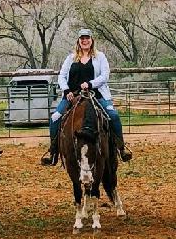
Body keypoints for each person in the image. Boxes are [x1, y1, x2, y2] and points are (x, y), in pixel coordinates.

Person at [42, 29, 129, 166]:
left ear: (91, 40)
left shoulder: (100, 57)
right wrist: (66, 90)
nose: (84, 40)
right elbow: (62, 76)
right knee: (55, 118)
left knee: (113, 115)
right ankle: (53, 151)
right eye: (82, 38)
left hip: (96, 94)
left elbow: (105, 76)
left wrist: (90, 84)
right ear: (78, 41)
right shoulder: (71, 58)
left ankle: (121, 148)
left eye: (87, 38)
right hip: (73, 95)